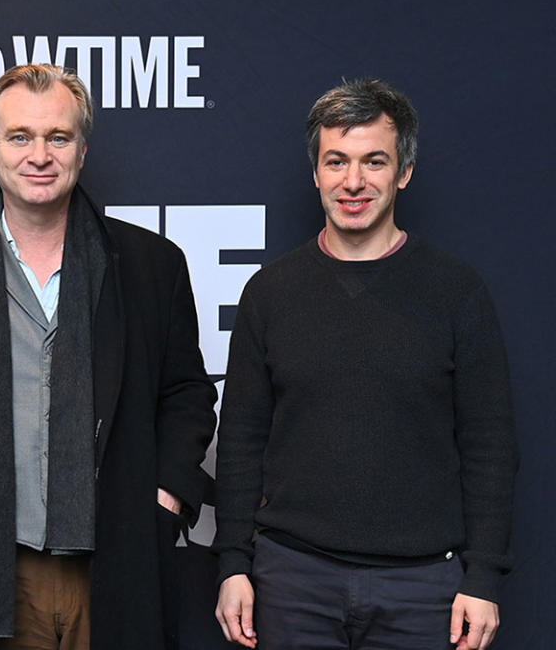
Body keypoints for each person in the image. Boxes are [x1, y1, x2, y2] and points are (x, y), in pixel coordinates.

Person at [0, 63, 217, 650]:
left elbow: (186, 393)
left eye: (58, 137)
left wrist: (166, 500)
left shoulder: (151, 264)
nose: (40, 155)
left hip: (116, 554)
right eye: (19, 136)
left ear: (82, 150)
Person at [213, 79, 519, 650]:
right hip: (291, 582)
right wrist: (233, 564)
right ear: (317, 173)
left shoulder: (457, 292)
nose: (353, 182)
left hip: (425, 589)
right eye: (337, 162)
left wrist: (483, 576)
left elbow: (490, 445)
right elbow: (240, 442)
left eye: (373, 161)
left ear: (402, 171)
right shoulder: (270, 294)